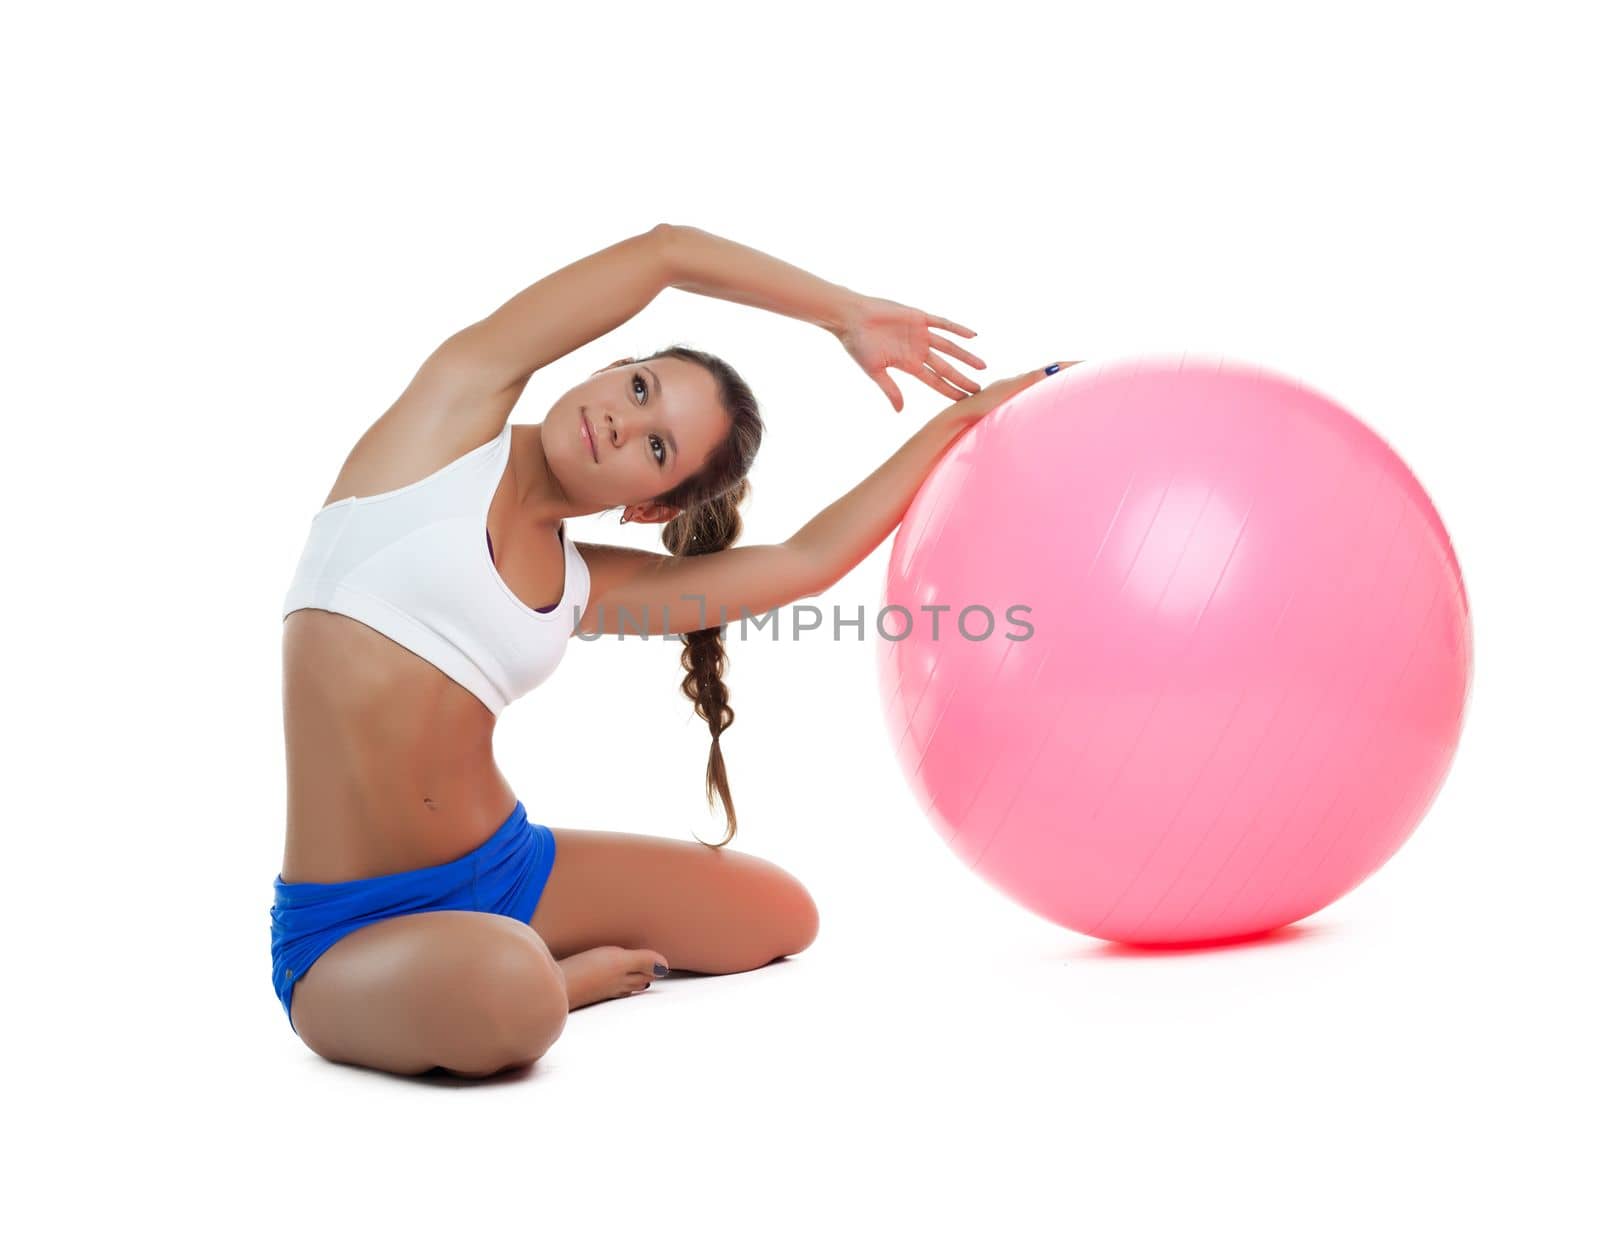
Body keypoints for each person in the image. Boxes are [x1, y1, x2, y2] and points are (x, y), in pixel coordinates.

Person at [271, 221, 1065, 1078]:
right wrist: (846, 314)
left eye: (657, 448)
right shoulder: (450, 410)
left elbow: (802, 563)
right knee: (519, 999)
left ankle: (500, 954)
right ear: (612, 364)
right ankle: (547, 978)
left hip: (504, 869)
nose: (621, 422)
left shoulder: (584, 586)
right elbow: (665, 254)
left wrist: (967, 418)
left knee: (782, 915)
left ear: (650, 506)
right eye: (641, 387)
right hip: (344, 927)